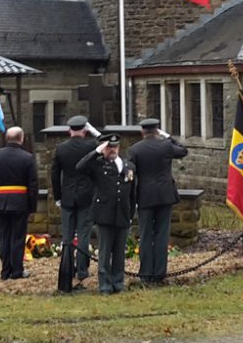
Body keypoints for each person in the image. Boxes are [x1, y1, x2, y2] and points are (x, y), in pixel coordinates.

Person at [128, 118, 187, 284]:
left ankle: (146, 274)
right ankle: (160, 272)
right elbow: (183, 150)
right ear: (156, 131)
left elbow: (131, 175)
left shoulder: (135, 149)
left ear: (142, 132)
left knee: (146, 234)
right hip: (165, 195)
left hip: (145, 196)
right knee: (162, 234)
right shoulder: (166, 146)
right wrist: (169, 137)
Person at [75, 133, 136, 294]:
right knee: (105, 251)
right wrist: (96, 151)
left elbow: (132, 192)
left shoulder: (128, 166)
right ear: (104, 148)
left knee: (119, 252)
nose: (112, 150)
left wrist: (131, 213)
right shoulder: (97, 165)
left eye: (115, 147)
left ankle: (118, 282)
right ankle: (105, 284)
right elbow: (80, 167)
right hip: (104, 213)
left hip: (122, 212)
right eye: (109, 147)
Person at [0, 127, 38, 280]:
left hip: (0, 202)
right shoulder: (27, 158)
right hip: (20, 202)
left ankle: (5, 271)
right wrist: (32, 206)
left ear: (7, 138)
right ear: (21, 139)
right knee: (17, 238)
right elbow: (33, 185)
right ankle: (17, 271)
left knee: (3, 237)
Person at [50, 115, 97, 284]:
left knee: (67, 236)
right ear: (84, 130)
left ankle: (67, 269)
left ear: (70, 130)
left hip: (68, 195)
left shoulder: (61, 148)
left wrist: (58, 196)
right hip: (86, 195)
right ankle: (83, 270)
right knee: (84, 234)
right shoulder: (91, 146)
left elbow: (55, 174)